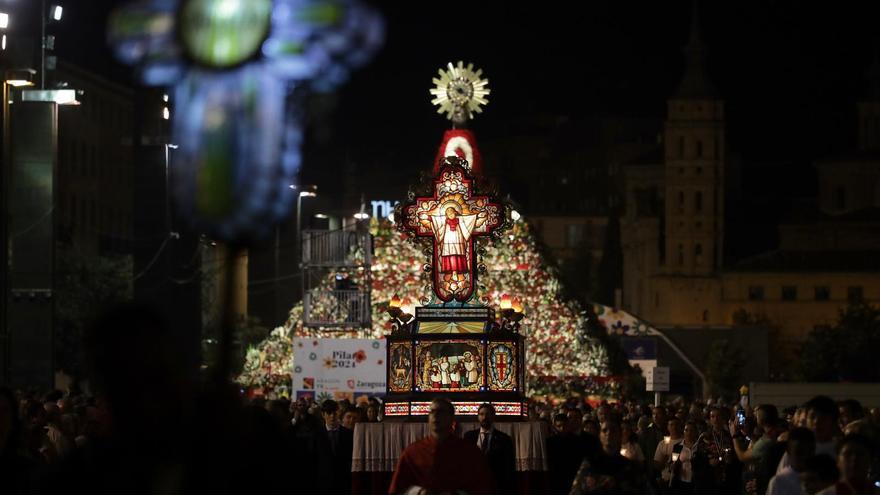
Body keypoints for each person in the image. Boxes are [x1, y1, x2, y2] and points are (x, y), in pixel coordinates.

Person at [389, 397, 491, 495]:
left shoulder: (469, 452)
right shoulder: (413, 452)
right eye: (432, 412)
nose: (435, 415)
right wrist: (419, 492)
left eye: (441, 411)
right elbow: (398, 489)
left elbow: (483, 488)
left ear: (451, 418)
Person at [569, 419, 648, 494]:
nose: (609, 433)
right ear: (600, 435)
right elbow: (576, 490)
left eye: (613, 430)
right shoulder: (590, 464)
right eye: (604, 430)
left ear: (620, 435)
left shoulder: (630, 467)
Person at [463, 403, 516, 494]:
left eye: (488, 414)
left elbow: (508, 468)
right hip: (473, 486)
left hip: (495, 487)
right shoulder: (469, 436)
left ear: (493, 416)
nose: (484, 417)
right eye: (481, 414)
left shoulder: (504, 439)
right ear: (478, 416)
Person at [766, 427, 816, 495]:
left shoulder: (820, 479)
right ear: (789, 452)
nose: (805, 457)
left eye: (809, 452)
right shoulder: (778, 482)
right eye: (799, 453)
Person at [322, 400, 353, 495]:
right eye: (329, 413)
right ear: (323, 415)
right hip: (323, 483)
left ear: (338, 414)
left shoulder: (348, 434)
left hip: (343, 482)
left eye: (334, 413)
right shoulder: (316, 434)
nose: (332, 416)